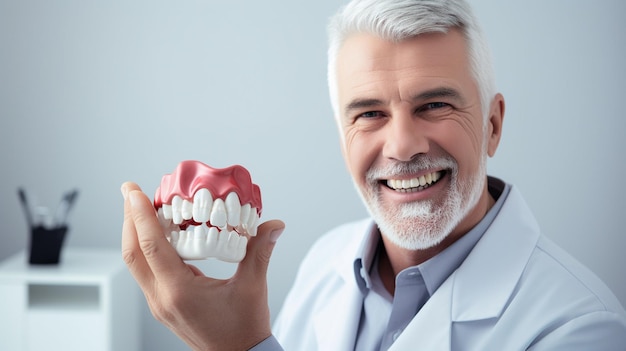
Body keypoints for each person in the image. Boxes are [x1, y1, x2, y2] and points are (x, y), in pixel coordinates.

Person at [121, 0, 626, 350]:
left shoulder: (580, 329)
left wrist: (240, 349)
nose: (403, 145)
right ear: (343, 140)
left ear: (493, 125)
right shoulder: (326, 262)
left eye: (434, 104)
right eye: (368, 114)